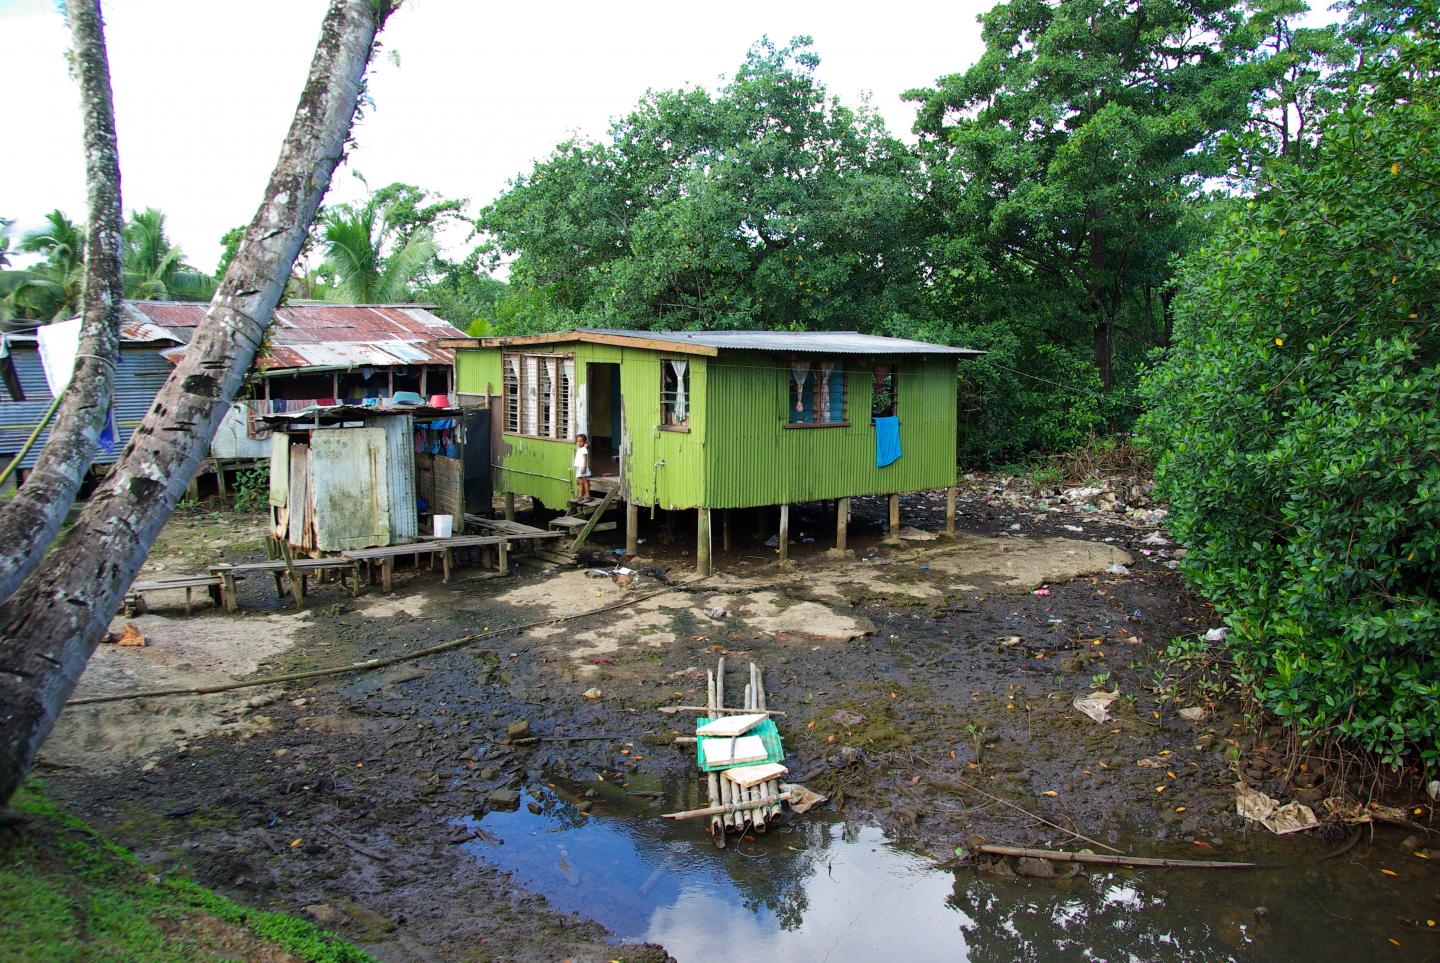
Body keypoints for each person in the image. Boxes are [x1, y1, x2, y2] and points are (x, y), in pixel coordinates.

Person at [573, 433, 591, 500]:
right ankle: (580, 495)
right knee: (580, 482)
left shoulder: (584, 449)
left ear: (584, 442)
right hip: (579, 467)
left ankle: (587, 494)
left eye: (581, 441)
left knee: (584, 481)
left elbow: (585, 459)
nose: (579, 443)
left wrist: (584, 467)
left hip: (582, 467)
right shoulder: (580, 449)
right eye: (578, 441)